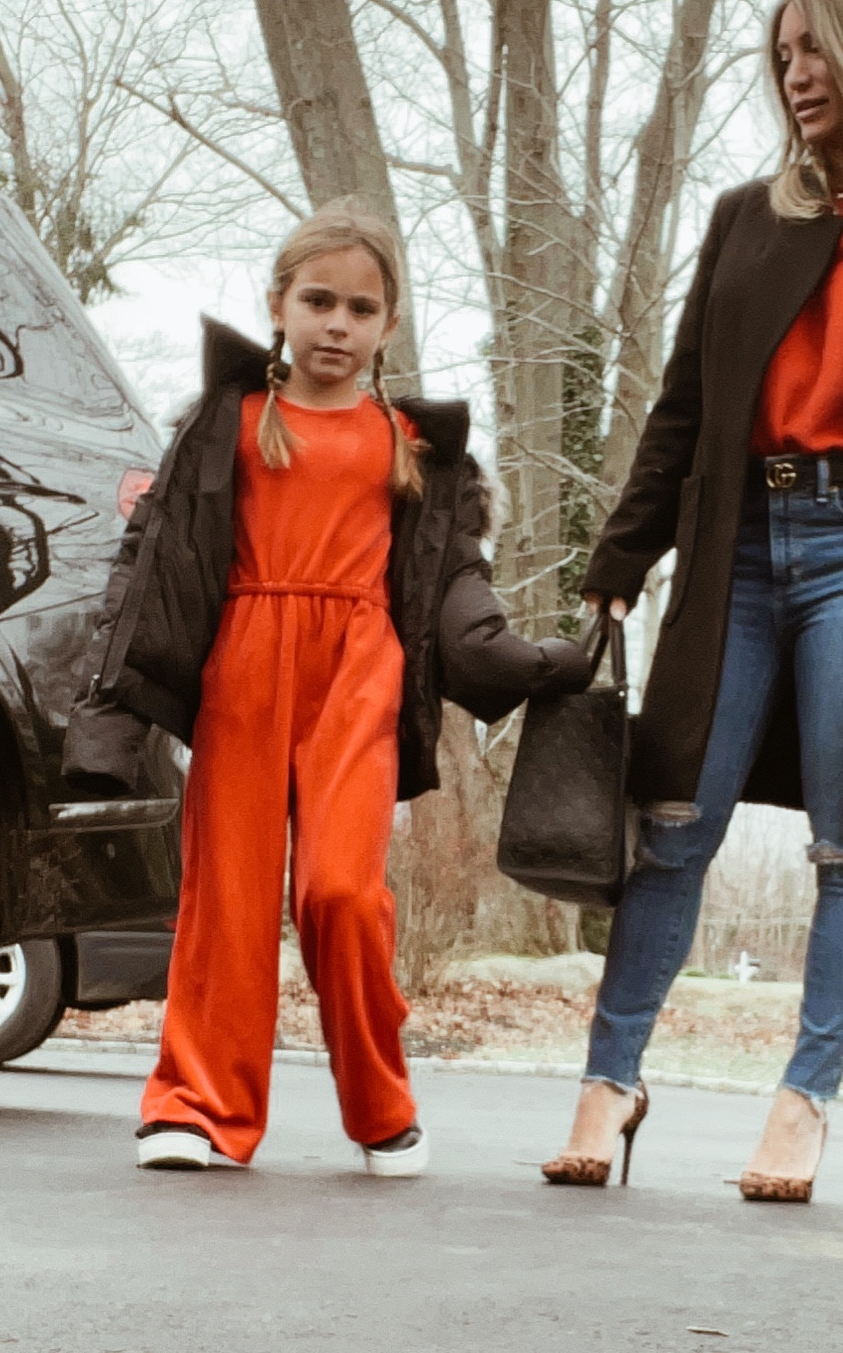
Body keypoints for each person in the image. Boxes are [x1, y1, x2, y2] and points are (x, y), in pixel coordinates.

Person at [543, 0, 843, 1198]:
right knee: (675, 820)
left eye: (817, 48)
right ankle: (610, 1080)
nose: (796, 72)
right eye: (785, 51)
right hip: (738, 547)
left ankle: (804, 1104)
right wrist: (621, 555)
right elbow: (686, 400)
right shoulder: (745, 218)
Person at [64, 201, 592, 1176]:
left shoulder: (414, 446)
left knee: (341, 894)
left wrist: (526, 657)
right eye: (318, 300)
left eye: (360, 307)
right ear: (278, 305)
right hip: (241, 668)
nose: (337, 323)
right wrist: (108, 708)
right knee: (226, 900)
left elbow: (452, 581)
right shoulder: (226, 425)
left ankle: (382, 1106)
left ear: (388, 324)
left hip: (358, 673)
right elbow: (150, 564)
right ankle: (198, 1109)